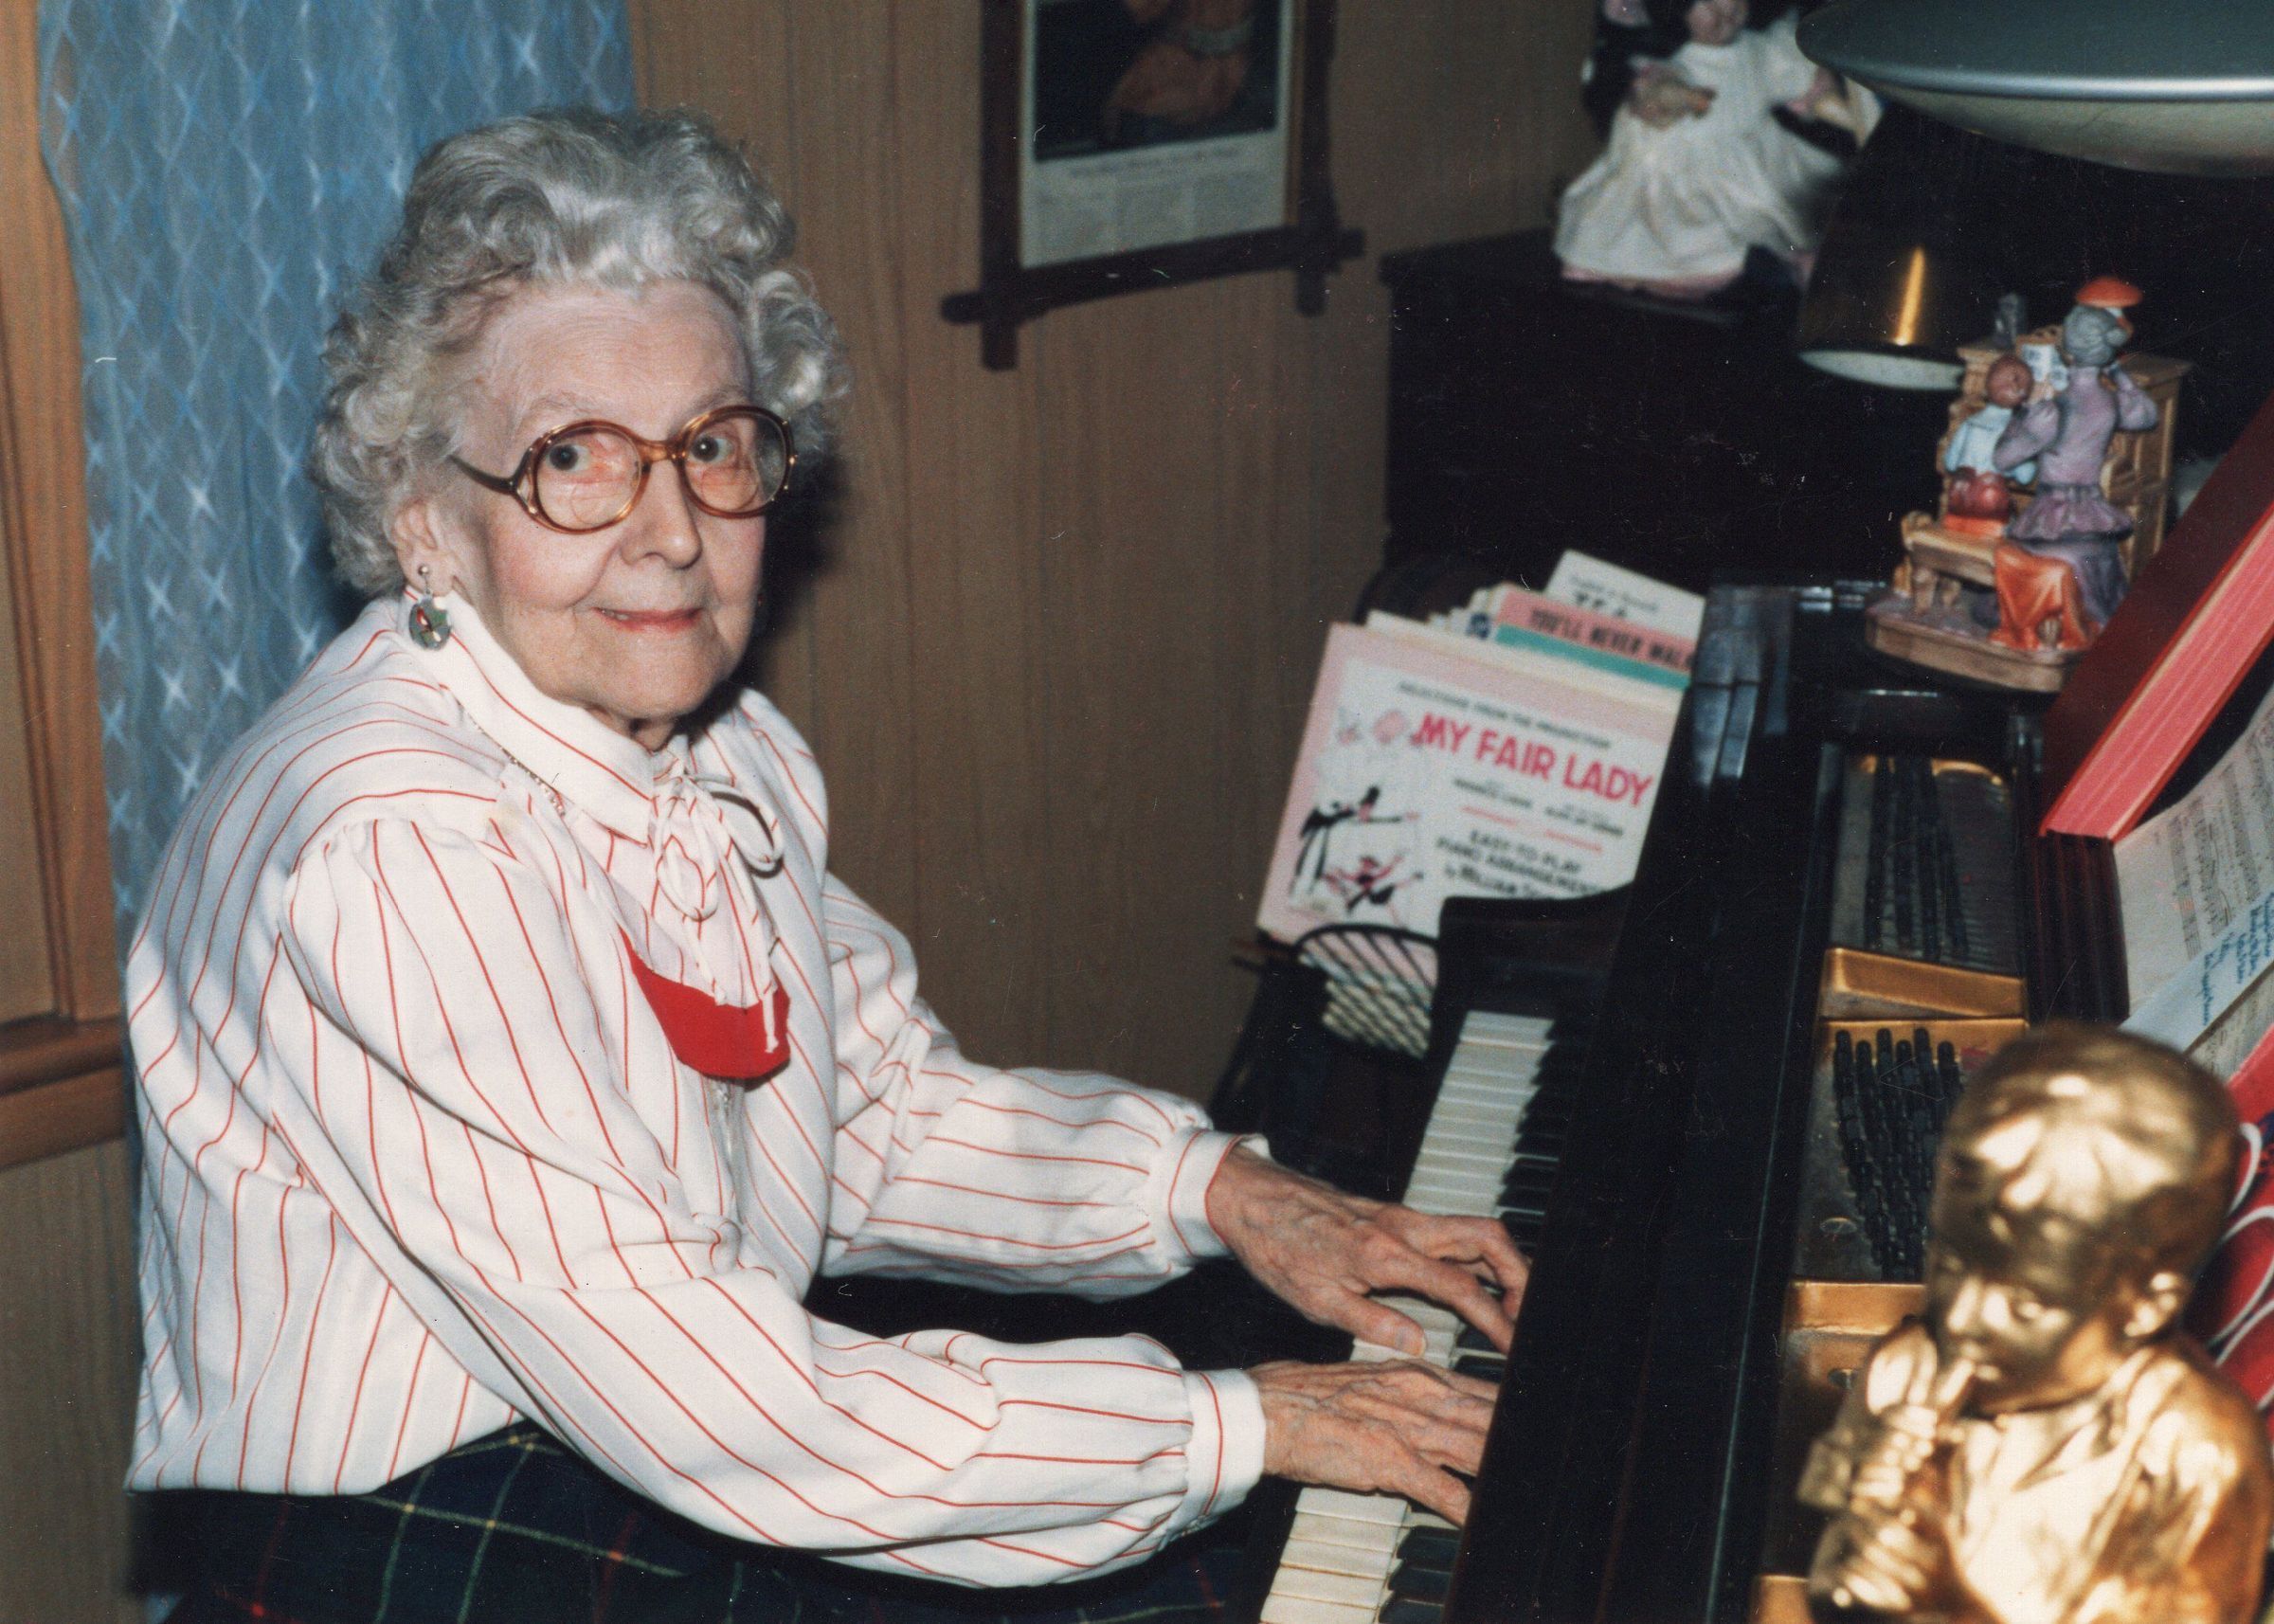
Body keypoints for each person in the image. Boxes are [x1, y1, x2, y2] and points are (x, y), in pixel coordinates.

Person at [127, 109, 1521, 1622]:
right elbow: (709, 1395)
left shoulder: (716, 755)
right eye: (572, 460)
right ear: (425, 521)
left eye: (711, 447)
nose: (671, 535)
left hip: (650, 1428)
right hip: (418, 1537)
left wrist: (1223, 1190)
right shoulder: (398, 850)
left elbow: (864, 1115)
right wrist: (1241, 1422)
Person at [1800, 1026, 2274, 1624]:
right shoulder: (1905, 1367)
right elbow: (1825, 1574)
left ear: (2147, 1306)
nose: (1963, 1319)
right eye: (1950, 1262)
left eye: (2025, 1305)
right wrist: (1860, 1536)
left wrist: (1950, 1605)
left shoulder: (2197, 1459)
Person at [1553, 0, 1846, 298]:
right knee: (1684, 229)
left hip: (1745, 166)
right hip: (1677, 170)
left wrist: (1822, 95)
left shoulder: (1758, 50)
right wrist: (1673, 95)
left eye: (1733, 4)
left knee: (1788, 211)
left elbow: (1798, 80)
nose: (1724, 14)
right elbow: (1655, 92)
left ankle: (1782, 263)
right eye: (1706, 5)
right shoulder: (1669, 59)